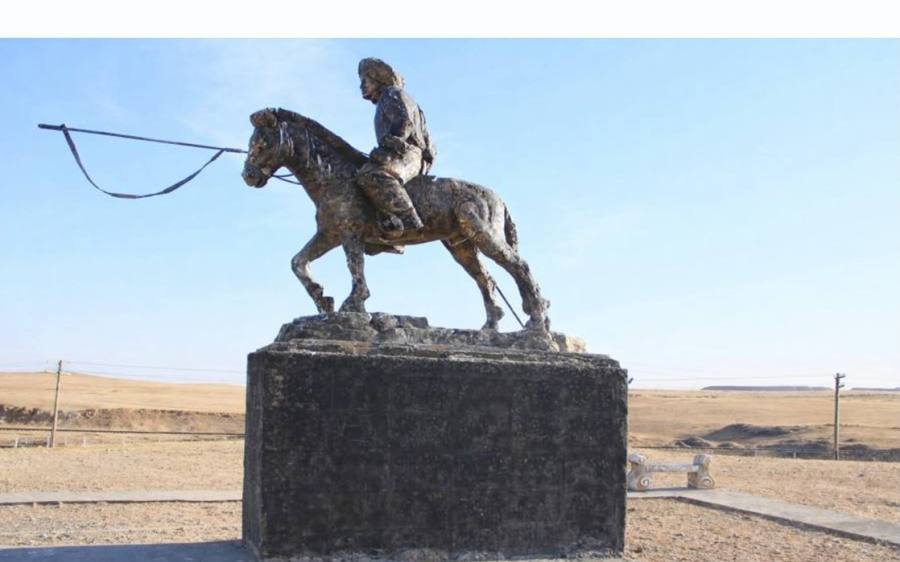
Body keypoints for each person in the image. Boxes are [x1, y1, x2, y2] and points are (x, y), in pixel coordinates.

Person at [356, 57, 436, 236]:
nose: (361, 86)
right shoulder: (385, 99)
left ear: (377, 79)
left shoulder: (393, 93)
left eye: (365, 80)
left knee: (371, 176)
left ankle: (409, 220)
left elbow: (405, 121)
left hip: (407, 153)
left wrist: (391, 142)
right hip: (400, 152)